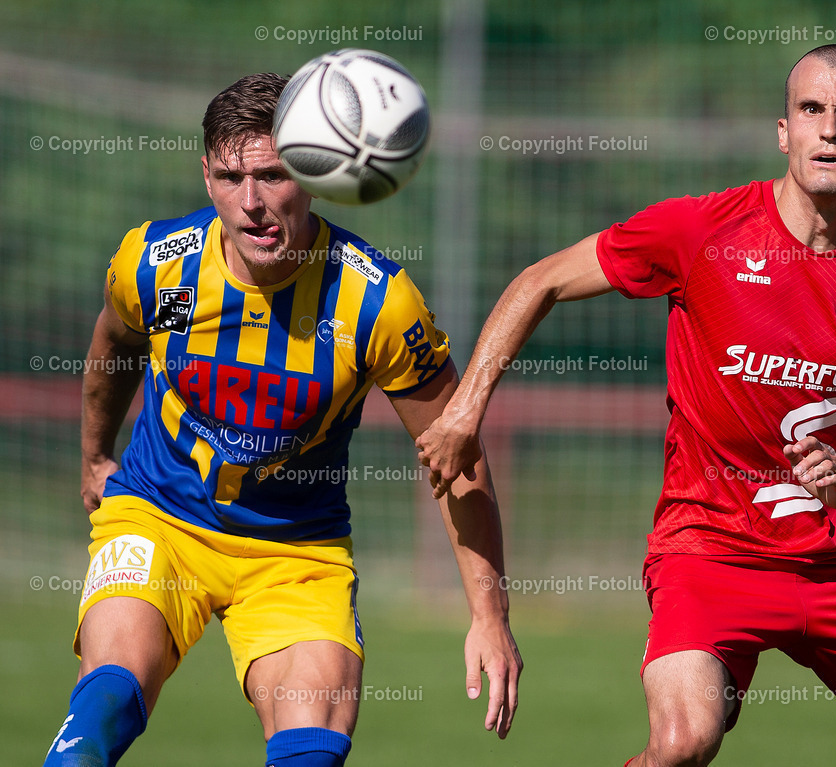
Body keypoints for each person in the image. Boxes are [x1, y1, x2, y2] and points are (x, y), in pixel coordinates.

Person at [415, 45, 836, 767]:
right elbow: (541, 281)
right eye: (811, 110)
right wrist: (462, 410)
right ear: (783, 131)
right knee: (682, 743)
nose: (829, 129)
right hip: (711, 551)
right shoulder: (705, 230)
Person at [42, 73, 521, 767]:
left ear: (315, 173)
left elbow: (457, 454)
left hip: (296, 556)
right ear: (205, 175)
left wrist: (489, 614)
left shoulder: (372, 302)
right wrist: (93, 456)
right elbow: (114, 346)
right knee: (101, 713)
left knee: (309, 755)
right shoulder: (160, 268)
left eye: (273, 174)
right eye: (232, 177)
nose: (253, 203)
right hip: (159, 517)